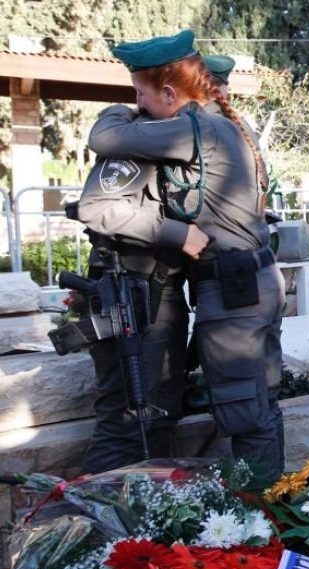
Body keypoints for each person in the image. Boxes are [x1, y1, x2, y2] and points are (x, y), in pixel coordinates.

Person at [89, 30, 285, 488]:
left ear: (171, 93)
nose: (137, 102)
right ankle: (265, 511)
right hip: (243, 284)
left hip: (235, 288)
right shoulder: (218, 122)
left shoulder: (198, 127)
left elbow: (105, 137)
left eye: (140, 93)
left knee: (244, 409)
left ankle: (259, 523)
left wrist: (120, 111)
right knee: (254, 405)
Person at [72, 35, 196, 473]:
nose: (136, 102)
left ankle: (145, 526)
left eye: (137, 93)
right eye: (138, 93)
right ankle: (91, 527)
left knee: (159, 414)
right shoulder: (137, 140)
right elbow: (96, 207)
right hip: (130, 294)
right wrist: (175, 233)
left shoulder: (174, 138)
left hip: (157, 294)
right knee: (125, 420)